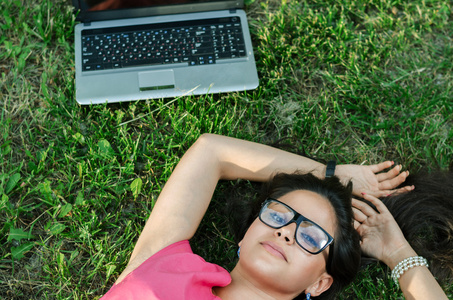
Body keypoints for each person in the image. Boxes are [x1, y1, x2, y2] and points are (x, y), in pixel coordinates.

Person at [100, 134, 449, 299]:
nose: (285, 233)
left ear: (319, 283)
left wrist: (398, 254)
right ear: (245, 236)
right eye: (278, 216)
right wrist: (331, 173)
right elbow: (211, 152)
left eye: (311, 237)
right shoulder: (166, 262)